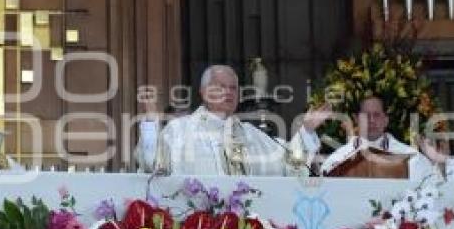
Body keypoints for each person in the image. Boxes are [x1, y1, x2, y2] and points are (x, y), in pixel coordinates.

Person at [136, 65, 328, 175]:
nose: (228, 92)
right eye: (221, 86)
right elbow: (153, 166)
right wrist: (151, 124)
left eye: (233, 88)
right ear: (204, 92)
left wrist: (306, 131)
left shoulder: (251, 134)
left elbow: (289, 166)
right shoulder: (179, 130)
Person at [317, 95, 436, 180]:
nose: (372, 120)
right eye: (366, 116)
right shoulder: (337, 161)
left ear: (386, 120)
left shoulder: (411, 158)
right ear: (357, 120)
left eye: (377, 115)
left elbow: (433, 192)